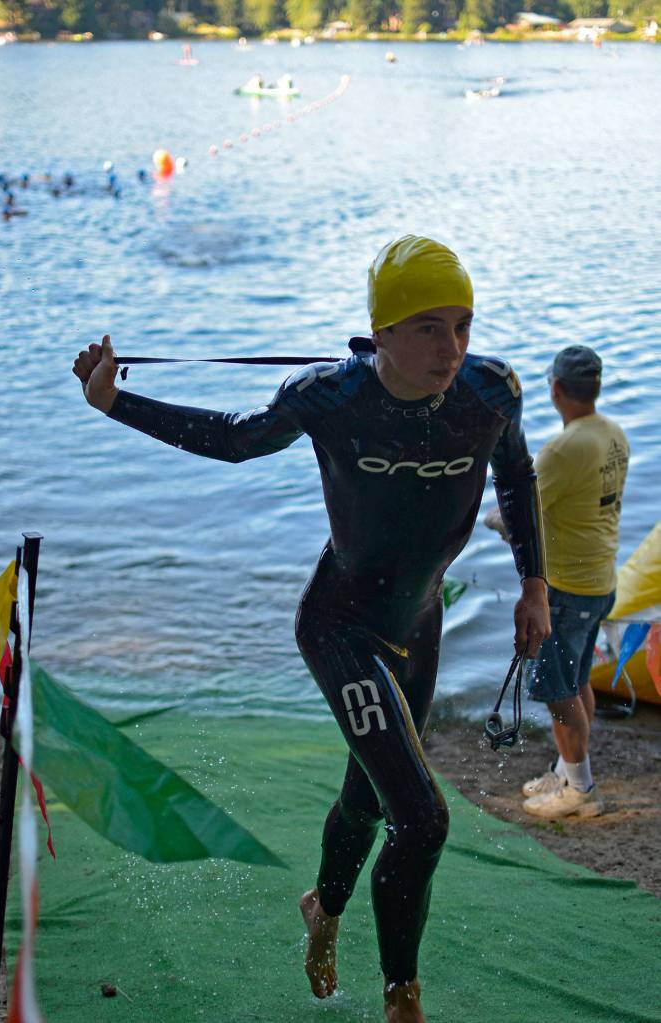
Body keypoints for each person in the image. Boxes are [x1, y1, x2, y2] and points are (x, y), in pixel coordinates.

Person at [72, 236, 550, 1023]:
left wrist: (534, 582)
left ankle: (322, 907)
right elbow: (232, 437)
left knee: (370, 792)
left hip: (420, 622)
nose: (453, 346)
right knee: (423, 817)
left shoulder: (491, 393)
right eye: (429, 327)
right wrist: (115, 400)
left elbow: (518, 473)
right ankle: (404, 996)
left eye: (462, 323)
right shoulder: (329, 396)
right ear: (384, 332)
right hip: (341, 624)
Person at [486, 346, 629, 820]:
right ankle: (570, 771)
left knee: (557, 691)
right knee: (577, 678)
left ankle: (581, 791)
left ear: (556, 389)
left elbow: (519, 511)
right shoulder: (612, 433)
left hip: (567, 588)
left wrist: (490, 520)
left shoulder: (565, 448)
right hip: (600, 581)